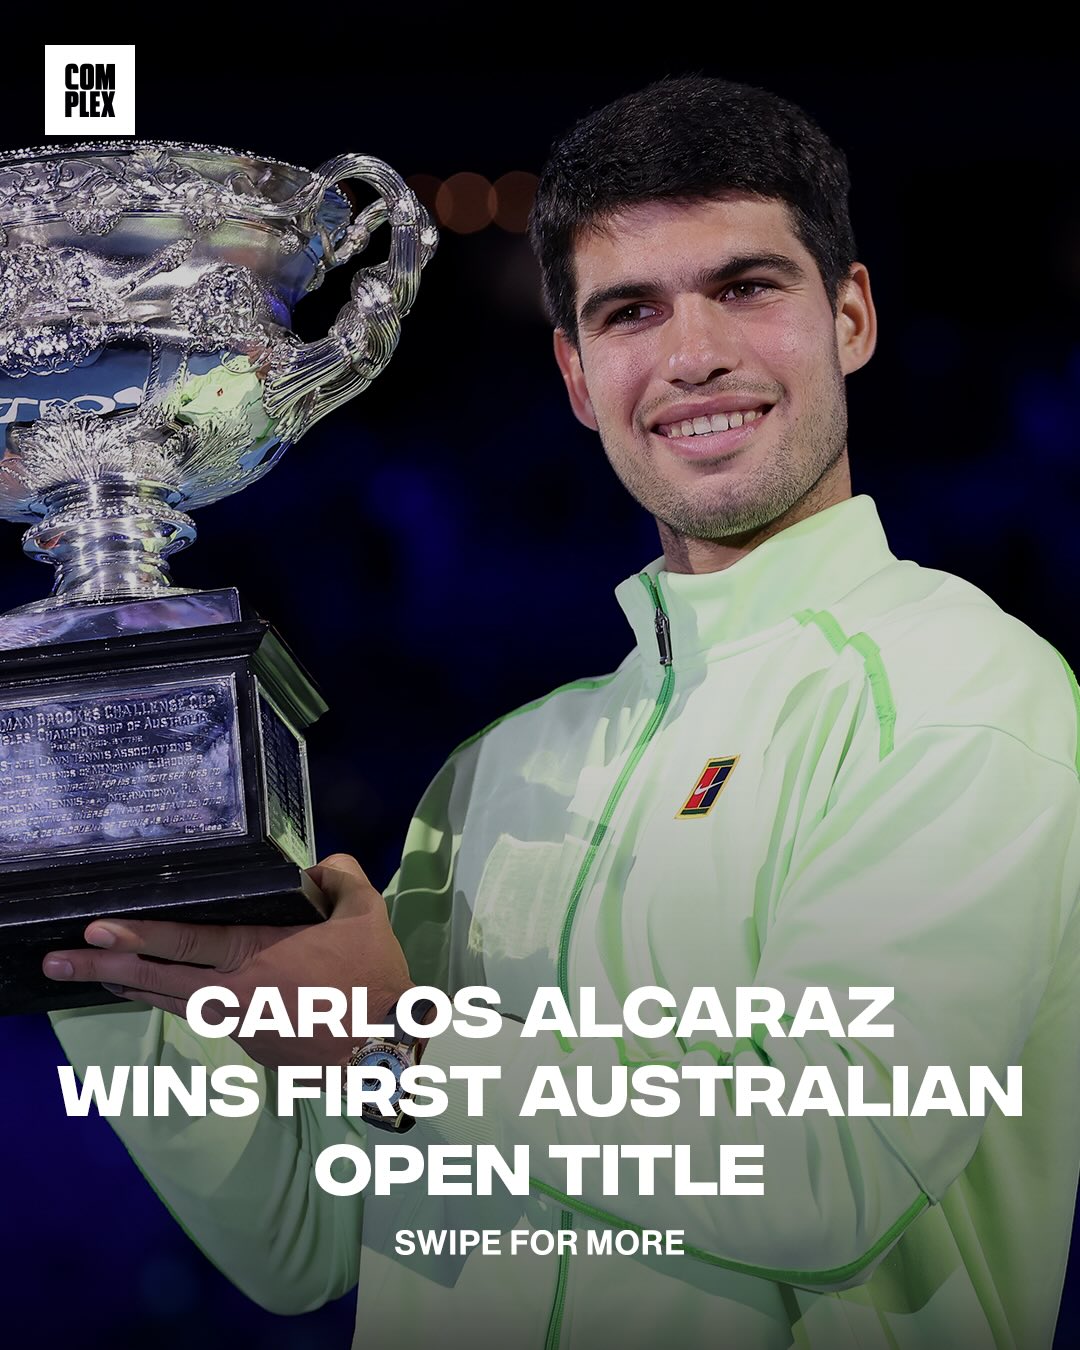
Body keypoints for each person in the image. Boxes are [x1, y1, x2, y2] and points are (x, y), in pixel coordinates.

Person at [43, 75, 1080, 1349]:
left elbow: (834, 1164)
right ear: (577, 375)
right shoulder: (495, 773)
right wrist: (94, 925)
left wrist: (400, 1045)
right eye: (630, 311)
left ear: (851, 316)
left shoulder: (965, 686)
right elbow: (301, 1237)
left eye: (746, 287)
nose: (693, 353)